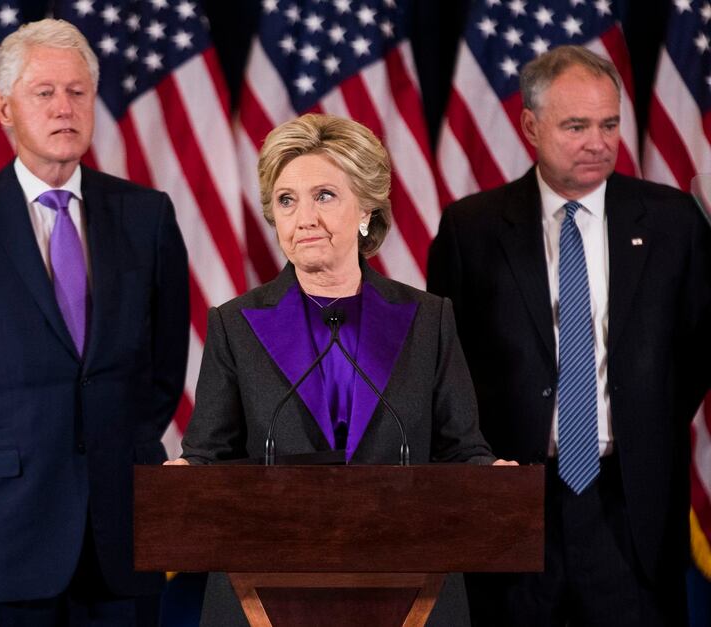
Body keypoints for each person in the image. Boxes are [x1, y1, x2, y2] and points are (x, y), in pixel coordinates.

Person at [167, 113, 513, 626]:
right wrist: (187, 477)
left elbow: (461, 448)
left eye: (324, 195)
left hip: (408, 592)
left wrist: (490, 478)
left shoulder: (427, 320)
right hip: (264, 595)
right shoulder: (236, 325)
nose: (303, 217)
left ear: (366, 209)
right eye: (286, 201)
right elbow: (209, 454)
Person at [0, 19, 189, 627]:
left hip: (120, 546)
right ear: (4, 107)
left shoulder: (148, 216)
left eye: (78, 92)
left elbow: (164, 373)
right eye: (44, 93)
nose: (65, 108)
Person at [428, 45, 711, 627]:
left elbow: (694, 355)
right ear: (530, 125)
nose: (598, 142)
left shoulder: (673, 222)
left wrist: (639, 418)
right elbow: (445, 368)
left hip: (631, 505)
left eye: (609, 124)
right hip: (514, 509)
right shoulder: (471, 229)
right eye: (576, 126)